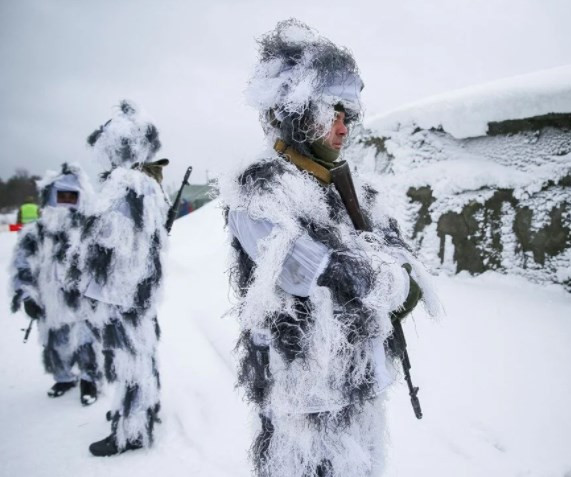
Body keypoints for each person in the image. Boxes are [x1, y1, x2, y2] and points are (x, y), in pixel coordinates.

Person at [220, 19, 440, 477]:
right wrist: (381, 273)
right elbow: (321, 274)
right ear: (297, 112)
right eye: (332, 112)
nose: (344, 128)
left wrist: (383, 272)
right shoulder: (261, 193)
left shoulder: (346, 185)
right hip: (305, 396)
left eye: (349, 115)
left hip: (360, 380)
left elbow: (407, 269)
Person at [81, 100, 170, 457]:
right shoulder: (148, 181)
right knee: (141, 354)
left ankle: (131, 432)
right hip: (139, 289)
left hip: (123, 291)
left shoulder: (126, 184)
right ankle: (144, 410)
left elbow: (105, 237)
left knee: (128, 360)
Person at [10, 163, 101, 405]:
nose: (66, 201)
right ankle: (63, 377)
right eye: (62, 195)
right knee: (56, 342)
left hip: (82, 301)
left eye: (73, 196)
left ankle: (90, 379)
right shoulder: (35, 232)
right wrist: (27, 296)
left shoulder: (89, 231)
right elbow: (22, 266)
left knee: (85, 341)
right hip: (50, 302)